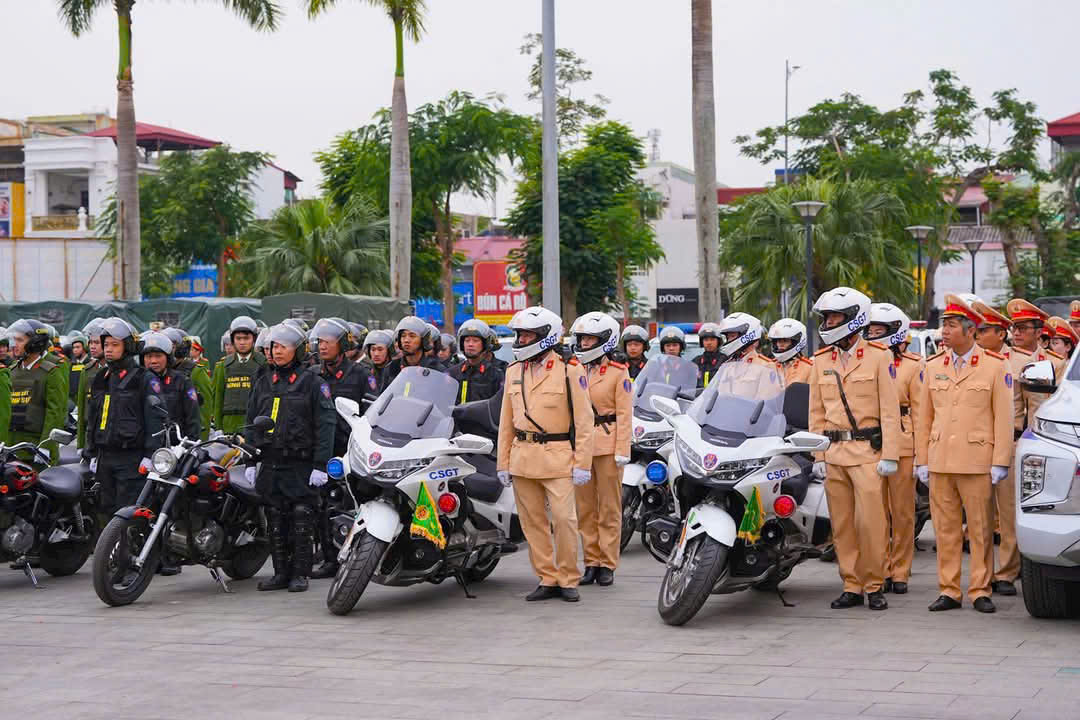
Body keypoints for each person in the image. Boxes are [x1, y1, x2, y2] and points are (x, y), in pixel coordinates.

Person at [916, 294, 1013, 614]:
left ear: (970, 331)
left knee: (981, 529)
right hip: (941, 459)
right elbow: (924, 417)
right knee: (944, 529)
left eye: (952, 325)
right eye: (944, 324)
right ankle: (949, 589)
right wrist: (922, 460)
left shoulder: (994, 366)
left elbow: (1004, 417)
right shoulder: (933, 366)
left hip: (977, 461)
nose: (945, 331)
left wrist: (1000, 461)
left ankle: (980, 588)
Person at [808, 287, 901, 612]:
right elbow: (816, 413)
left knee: (871, 523)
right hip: (834, 454)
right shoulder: (821, 361)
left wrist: (890, 455)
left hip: (867, 454)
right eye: (827, 317)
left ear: (853, 319)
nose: (829, 322)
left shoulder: (879, 357)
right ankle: (851, 584)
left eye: (834, 317)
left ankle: (875, 584)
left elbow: (890, 410)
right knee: (843, 524)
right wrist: (818, 455)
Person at [497, 306, 594, 602]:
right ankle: (547, 577)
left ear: (545, 337)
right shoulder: (514, 370)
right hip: (523, 458)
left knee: (565, 520)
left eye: (527, 335)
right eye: (520, 334)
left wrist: (583, 464)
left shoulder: (569, 370)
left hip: (558, 456)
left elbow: (584, 421)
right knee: (533, 523)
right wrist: (503, 462)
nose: (521, 340)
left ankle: (568, 577)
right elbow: (506, 423)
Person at [245, 323, 336, 593]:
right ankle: (280, 573)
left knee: (301, 516)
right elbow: (251, 420)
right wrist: (250, 459)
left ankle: (300, 573)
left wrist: (320, 465)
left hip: (300, 461)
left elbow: (325, 424)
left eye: (283, 346)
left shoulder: (313, 383)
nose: (277, 351)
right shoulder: (263, 381)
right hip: (271, 461)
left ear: (298, 350)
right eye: (274, 346)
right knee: (275, 516)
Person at [570, 312, 631, 587]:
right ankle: (591, 562)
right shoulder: (575, 369)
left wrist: (623, 449)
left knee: (608, 508)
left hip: (607, 445)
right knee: (584, 508)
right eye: (582, 338)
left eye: (590, 338)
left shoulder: (619, 372)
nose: (584, 344)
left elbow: (625, 414)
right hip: (580, 446)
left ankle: (607, 563)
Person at [865, 303, 922, 595]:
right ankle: (879, 567)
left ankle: (900, 570)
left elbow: (921, 411)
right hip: (870, 439)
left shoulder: (913, 366)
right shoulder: (863, 361)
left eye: (879, 331)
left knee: (901, 512)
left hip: (902, 440)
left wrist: (923, 455)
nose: (873, 335)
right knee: (875, 511)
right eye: (870, 330)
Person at [309, 318, 371, 579]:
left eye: (328, 342)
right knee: (321, 505)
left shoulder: (360, 374)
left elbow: (371, 411)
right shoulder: (312, 374)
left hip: (351, 448)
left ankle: (361, 555)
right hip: (323, 448)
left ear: (343, 345)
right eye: (320, 342)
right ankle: (329, 557)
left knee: (355, 503)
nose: (322, 347)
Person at [84, 318, 165, 514]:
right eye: (106, 344)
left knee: (128, 513)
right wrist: (91, 452)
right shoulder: (101, 377)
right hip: (105, 457)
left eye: (114, 344)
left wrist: (149, 455)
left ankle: (130, 545)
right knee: (104, 511)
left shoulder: (144, 378)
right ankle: (108, 546)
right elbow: (93, 418)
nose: (108, 349)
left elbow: (155, 420)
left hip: (132, 458)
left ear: (128, 346)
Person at [972, 300, 1022, 596]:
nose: (977, 334)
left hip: (1011, 443)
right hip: (977, 444)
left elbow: (1034, 409)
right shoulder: (973, 359)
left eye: (984, 330)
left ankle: (1006, 572)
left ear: (1000, 334)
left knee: (1007, 513)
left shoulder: (1019, 361)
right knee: (979, 516)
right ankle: (983, 574)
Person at [6, 319, 68, 465]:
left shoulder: (51, 372)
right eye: (15, 339)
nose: (15, 344)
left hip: (36, 451)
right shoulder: (11, 371)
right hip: (11, 448)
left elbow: (55, 414)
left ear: (35, 343)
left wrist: (45, 448)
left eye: (20, 340)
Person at [140, 331, 200, 442]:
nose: (153, 361)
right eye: (149, 356)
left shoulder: (182, 381)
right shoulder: (136, 381)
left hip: (175, 446)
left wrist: (191, 445)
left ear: (167, 357)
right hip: (144, 446)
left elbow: (193, 417)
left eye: (158, 356)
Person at [210, 316, 266, 436]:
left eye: (246, 338)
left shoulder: (264, 364)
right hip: (228, 427)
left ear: (254, 339)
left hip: (254, 427)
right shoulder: (222, 366)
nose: (242, 342)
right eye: (238, 338)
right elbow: (218, 398)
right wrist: (218, 427)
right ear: (232, 339)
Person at [163, 327, 214, 438]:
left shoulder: (196, 372)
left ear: (181, 349)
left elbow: (205, 408)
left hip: (188, 436)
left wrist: (202, 439)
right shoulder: (162, 373)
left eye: (172, 346)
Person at [449, 319, 505, 404]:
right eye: (467, 340)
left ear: (484, 344)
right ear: (461, 344)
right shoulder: (452, 373)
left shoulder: (496, 374)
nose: (470, 344)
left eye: (475, 340)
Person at [381, 316, 443, 386]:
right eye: (403, 336)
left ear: (423, 340)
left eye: (412, 336)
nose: (406, 340)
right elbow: (383, 395)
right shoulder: (392, 368)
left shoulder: (436, 370)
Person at [76, 319, 106, 450]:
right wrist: (80, 445)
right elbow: (82, 409)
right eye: (91, 342)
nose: (92, 346)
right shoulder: (87, 370)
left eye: (97, 343)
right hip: (90, 437)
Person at [769, 318, 813, 385]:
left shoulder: (808, 368)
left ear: (795, 341)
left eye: (785, 340)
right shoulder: (769, 366)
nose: (780, 344)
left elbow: (814, 393)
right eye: (778, 340)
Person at [360, 329, 393, 397]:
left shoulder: (396, 373)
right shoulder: (365, 372)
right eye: (373, 349)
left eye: (380, 349)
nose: (376, 354)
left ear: (389, 351)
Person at [693, 322, 724, 388]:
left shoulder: (724, 361)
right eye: (706, 340)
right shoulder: (695, 362)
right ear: (702, 342)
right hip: (697, 397)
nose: (709, 343)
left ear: (718, 341)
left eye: (712, 339)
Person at [66, 330, 90, 405]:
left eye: (78, 347)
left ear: (85, 347)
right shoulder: (71, 364)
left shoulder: (91, 363)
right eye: (73, 347)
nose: (75, 350)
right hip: (72, 401)